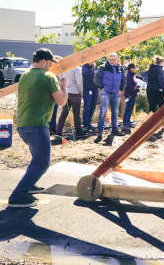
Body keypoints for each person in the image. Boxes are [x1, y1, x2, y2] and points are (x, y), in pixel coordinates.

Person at [8, 48, 68, 207]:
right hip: (37, 126)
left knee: (37, 159)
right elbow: (62, 102)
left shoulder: (24, 76)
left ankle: (30, 186)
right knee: (42, 163)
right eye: (49, 63)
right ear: (43, 62)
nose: (50, 66)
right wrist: (64, 87)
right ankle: (17, 196)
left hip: (22, 126)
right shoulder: (48, 76)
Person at [94, 53, 127, 141]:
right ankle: (100, 130)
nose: (112, 61)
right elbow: (96, 78)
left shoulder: (120, 68)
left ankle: (115, 129)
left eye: (113, 60)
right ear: (108, 59)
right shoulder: (103, 67)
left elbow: (124, 79)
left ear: (117, 59)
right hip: (106, 92)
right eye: (110, 60)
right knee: (103, 111)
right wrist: (101, 88)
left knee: (115, 112)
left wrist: (121, 89)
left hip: (116, 92)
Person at [56, 67, 85, 139]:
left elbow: (60, 79)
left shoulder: (64, 67)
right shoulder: (76, 68)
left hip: (65, 92)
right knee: (76, 113)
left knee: (64, 112)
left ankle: (58, 131)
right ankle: (78, 132)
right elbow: (79, 82)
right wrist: (81, 92)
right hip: (75, 92)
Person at [122, 62, 141, 132]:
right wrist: (135, 89)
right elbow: (129, 86)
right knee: (128, 108)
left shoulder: (133, 75)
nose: (136, 69)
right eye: (135, 68)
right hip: (129, 95)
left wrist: (136, 88)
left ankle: (128, 121)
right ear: (131, 68)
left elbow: (133, 84)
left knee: (130, 108)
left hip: (133, 94)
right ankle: (125, 124)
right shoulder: (128, 75)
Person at [82, 61, 99, 133]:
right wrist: (93, 67)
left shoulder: (95, 67)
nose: (93, 61)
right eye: (92, 60)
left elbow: (97, 75)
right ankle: (85, 124)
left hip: (95, 89)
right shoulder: (84, 67)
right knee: (87, 107)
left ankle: (89, 123)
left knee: (93, 107)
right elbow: (89, 73)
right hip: (87, 89)